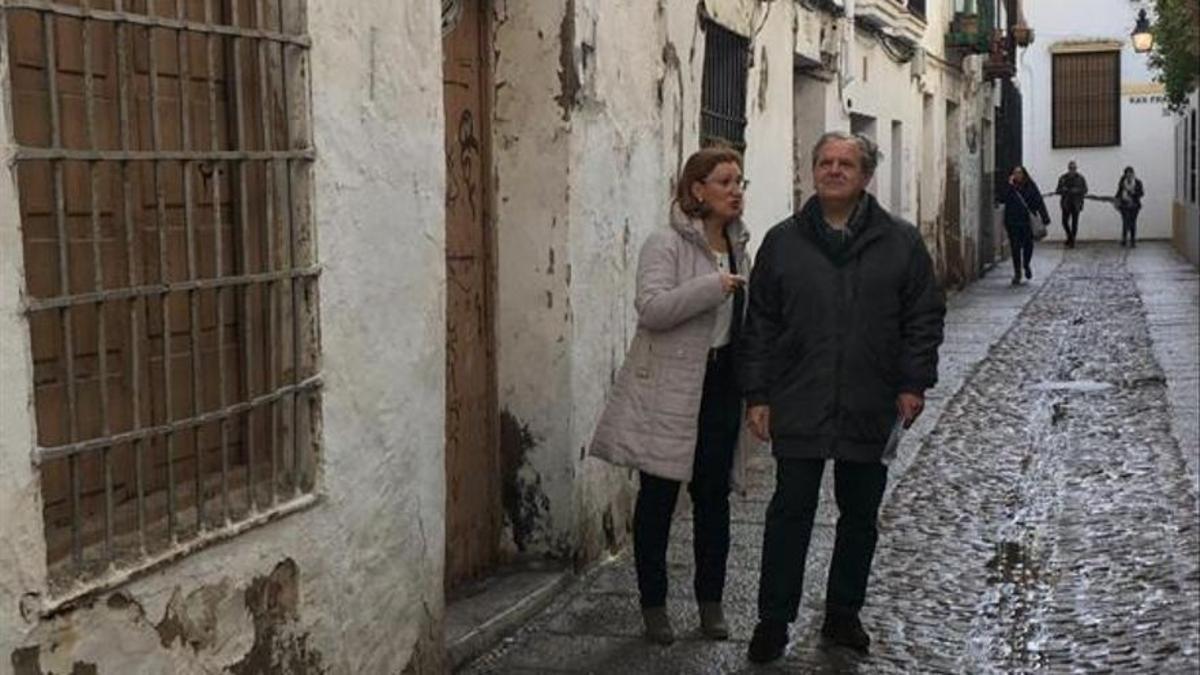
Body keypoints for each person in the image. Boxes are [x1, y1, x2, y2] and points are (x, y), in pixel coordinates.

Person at [740, 132, 946, 663]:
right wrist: (757, 394)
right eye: (826, 162)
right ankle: (772, 619)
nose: (834, 170)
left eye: (846, 164)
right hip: (799, 398)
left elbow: (923, 317)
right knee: (790, 510)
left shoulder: (900, 242)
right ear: (812, 172)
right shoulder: (782, 242)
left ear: (865, 175)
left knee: (859, 514)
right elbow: (760, 323)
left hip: (871, 400)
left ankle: (843, 614)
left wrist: (911, 383)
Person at [589, 146, 752, 645]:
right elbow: (652, 309)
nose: (735, 191)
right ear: (697, 189)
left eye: (740, 181)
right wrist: (711, 287)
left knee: (713, 498)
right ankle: (654, 606)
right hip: (670, 387)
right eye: (724, 181)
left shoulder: (740, 242)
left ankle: (711, 604)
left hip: (722, 384)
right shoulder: (665, 244)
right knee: (658, 499)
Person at [1000, 165, 1050, 285]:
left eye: (1019, 173)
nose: (1017, 175)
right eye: (1015, 173)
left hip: (1026, 222)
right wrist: (1010, 186)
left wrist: (1045, 217)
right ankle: (1017, 273)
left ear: (1024, 174)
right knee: (1015, 248)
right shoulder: (1010, 187)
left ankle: (1026, 264)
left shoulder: (1030, 186)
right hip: (1012, 222)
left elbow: (1038, 201)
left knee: (1028, 245)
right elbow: (1002, 198)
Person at [1055, 160, 1088, 248]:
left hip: (1076, 203)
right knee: (1064, 222)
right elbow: (1057, 190)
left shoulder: (1080, 178)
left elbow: (1085, 190)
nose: (1072, 170)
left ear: (1076, 169)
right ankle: (1070, 237)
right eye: (1070, 168)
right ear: (1068, 169)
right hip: (1066, 203)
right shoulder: (1063, 178)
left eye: (1074, 168)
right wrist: (1063, 190)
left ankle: (1072, 240)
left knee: (1074, 223)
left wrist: (1077, 191)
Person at [1115, 166, 1145, 247]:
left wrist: (1133, 193)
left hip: (1134, 205)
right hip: (1124, 205)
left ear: (1133, 174)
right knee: (1125, 222)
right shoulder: (1122, 182)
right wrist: (1116, 201)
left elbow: (1141, 193)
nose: (1129, 175)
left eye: (1130, 173)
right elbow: (1119, 192)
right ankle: (1124, 239)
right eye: (1127, 174)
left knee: (1132, 222)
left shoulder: (1138, 182)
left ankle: (1132, 240)